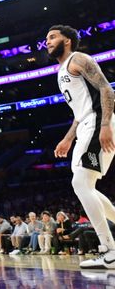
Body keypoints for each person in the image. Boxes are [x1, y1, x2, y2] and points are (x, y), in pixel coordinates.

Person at [48, 24, 115, 268]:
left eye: (53, 37)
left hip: (98, 122)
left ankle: (109, 250)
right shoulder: (61, 70)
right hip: (85, 124)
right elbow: (79, 112)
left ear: (67, 41)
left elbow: (106, 88)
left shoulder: (79, 59)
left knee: (80, 183)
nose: (47, 41)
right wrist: (68, 138)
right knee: (86, 186)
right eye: (47, 38)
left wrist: (106, 124)